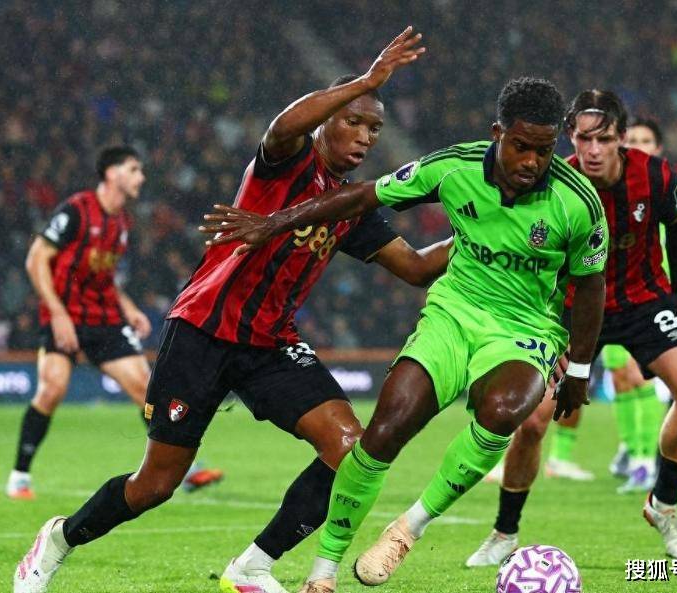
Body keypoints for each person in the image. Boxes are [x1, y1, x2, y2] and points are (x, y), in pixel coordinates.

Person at [13, 28, 449, 593]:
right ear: (327, 120)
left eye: (375, 129)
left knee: (349, 448)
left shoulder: (352, 205)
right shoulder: (286, 162)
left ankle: (253, 567)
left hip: (270, 344)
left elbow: (415, 267)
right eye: (354, 121)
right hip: (202, 331)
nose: (365, 137)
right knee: (155, 485)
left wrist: (481, 230)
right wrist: (366, 81)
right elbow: (282, 127)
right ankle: (57, 540)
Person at [202, 76, 607, 593]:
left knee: (504, 411)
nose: (532, 161)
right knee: (386, 428)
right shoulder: (453, 167)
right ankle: (324, 571)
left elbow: (591, 287)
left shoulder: (578, 203)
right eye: (521, 146)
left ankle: (409, 527)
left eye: (544, 151)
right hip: (452, 313)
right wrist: (276, 222)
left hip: (525, 328)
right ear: (498, 133)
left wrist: (579, 369)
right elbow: (361, 197)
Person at [467, 91, 677, 569]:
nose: (594, 150)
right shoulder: (554, 183)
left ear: (622, 138)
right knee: (532, 420)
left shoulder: (656, 176)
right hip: (573, 310)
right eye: (584, 139)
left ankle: (663, 505)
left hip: (643, 301)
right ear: (570, 137)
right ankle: (504, 532)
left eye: (605, 139)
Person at [5, 146, 163, 499]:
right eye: (134, 169)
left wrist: (129, 307)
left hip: (104, 318)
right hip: (66, 316)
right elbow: (36, 259)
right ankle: (19, 475)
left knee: (146, 388)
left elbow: (104, 277)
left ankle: (177, 468)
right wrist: (58, 313)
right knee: (52, 388)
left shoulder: (122, 223)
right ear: (111, 173)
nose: (141, 177)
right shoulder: (76, 210)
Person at [603, 118, 677, 492]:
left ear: (659, 148)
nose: (638, 145)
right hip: (611, 295)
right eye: (632, 139)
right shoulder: (604, 186)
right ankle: (631, 449)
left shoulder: (669, 185)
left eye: (646, 140)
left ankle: (644, 460)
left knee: (637, 376)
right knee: (620, 379)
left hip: (651, 298)